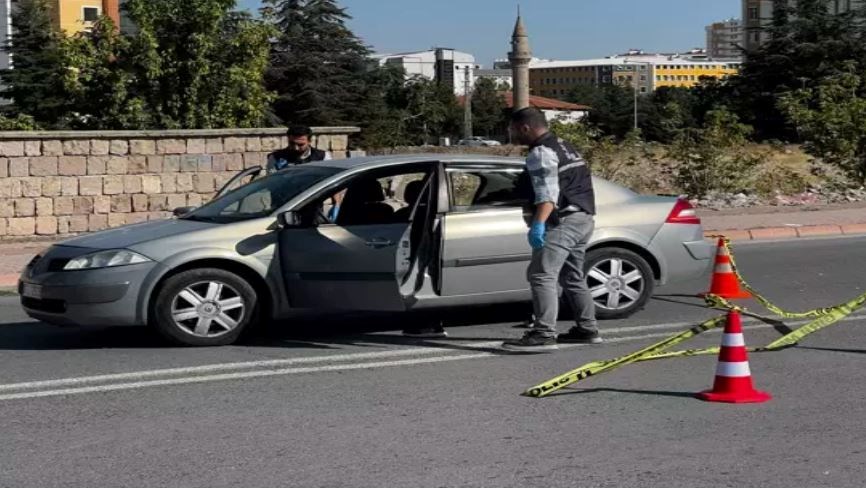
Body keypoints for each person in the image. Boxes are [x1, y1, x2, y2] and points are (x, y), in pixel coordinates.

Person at [502, 107, 601, 351]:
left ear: (525, 128)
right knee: (572, 276)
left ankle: (544, 333)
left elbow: (548, 194)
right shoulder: (564, 145)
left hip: (563, 221)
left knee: (542, 274)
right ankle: (587, 329)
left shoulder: (541, 152)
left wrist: (538, 224)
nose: (512, 134)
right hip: (583, 217)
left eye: (513, 130)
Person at [267, 125, 341, 220]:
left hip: (313, 209)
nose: (296, 148)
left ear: (309, 141)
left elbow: (333, 181)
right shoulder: (276, 158)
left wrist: (337, 204)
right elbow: (272, 185)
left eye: (301, 145)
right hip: (283, 209)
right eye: (292, 143)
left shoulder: (322, 157)